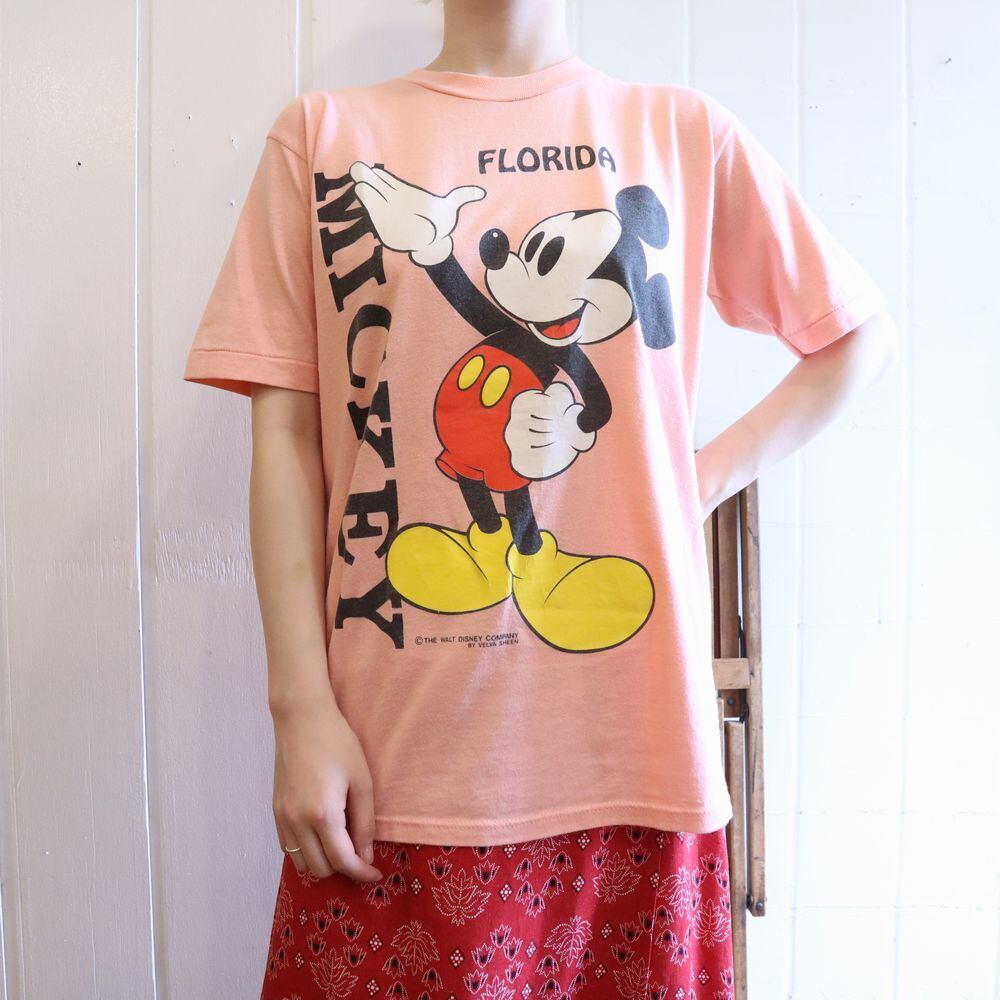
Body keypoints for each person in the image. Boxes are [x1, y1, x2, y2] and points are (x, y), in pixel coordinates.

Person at [183, 1, 899, 996]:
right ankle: (482, 557)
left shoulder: (680, 131)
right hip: (398, 763)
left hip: (637, 756)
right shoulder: (325, 137)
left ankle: (540, 569)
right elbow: (287, 438)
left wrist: (695, 479)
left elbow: (854, 336)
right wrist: (299, 710)